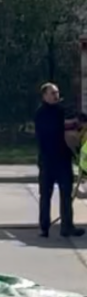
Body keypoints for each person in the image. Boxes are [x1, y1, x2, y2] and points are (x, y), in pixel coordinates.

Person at [34, 82, 83, 238]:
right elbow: (50, 133)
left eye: (57, 93)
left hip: (63, 159)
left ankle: (67, 227)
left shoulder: (63, 111)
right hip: (47, 160)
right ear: (44, 96)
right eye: (52, 93)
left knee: (66, 194)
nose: (56, 96)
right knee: (45, 195)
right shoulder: (40, 114)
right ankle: (44, 227)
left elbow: (76, 124)